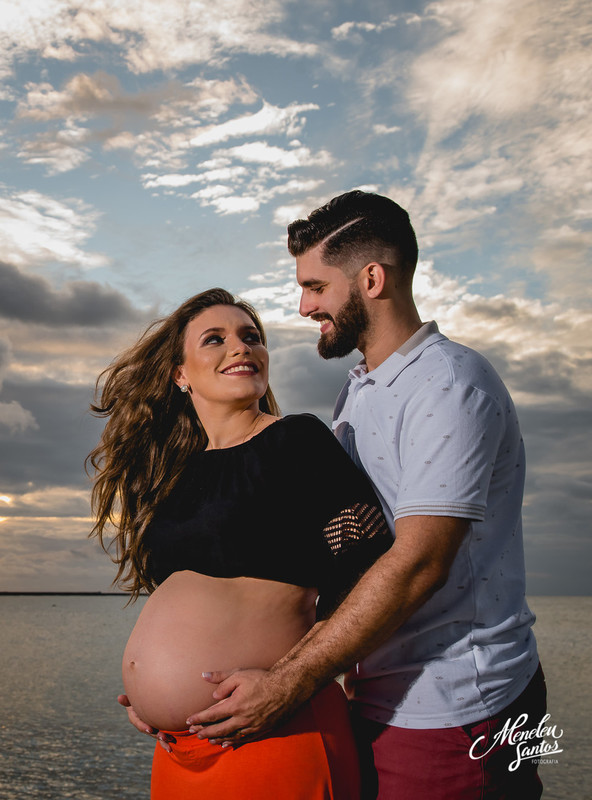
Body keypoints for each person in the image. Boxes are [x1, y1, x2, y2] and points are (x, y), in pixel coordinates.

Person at [184, 191, 544, 799]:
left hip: (459, 705)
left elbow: (418, 564)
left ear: (371, 278)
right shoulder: (361, 390)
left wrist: (288, 682)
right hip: (381, 691)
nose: (303, 307)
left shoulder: (449, 384)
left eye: (316, 287)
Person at [90, 287, 392, 799]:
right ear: (179, 375)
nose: (241, 348)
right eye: (216, 339)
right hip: (177, 746)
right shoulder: (175, 476)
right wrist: (153, 693)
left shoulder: (296, 441)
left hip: (274, 728)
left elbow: (369, 562)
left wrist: (291, 678)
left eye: (251, 337)